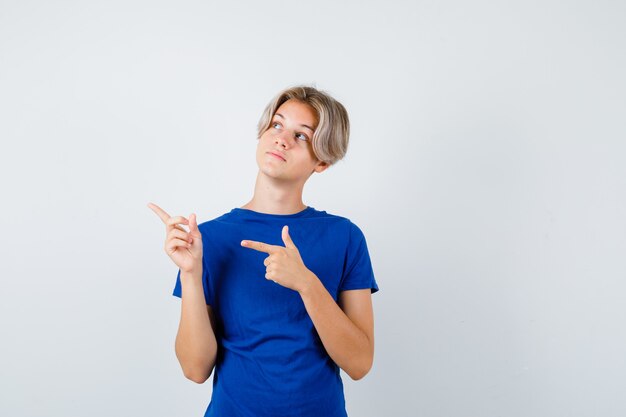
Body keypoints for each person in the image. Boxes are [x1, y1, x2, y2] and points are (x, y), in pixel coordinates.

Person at [148, 85, 379, 417]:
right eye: (277, 125)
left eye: (302, 136)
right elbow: (195, 369)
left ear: (323, 161)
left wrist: (307, 284)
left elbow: (359, 363)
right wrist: (191, 274)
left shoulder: (345, 237)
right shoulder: (209, 238)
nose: (282, 139)